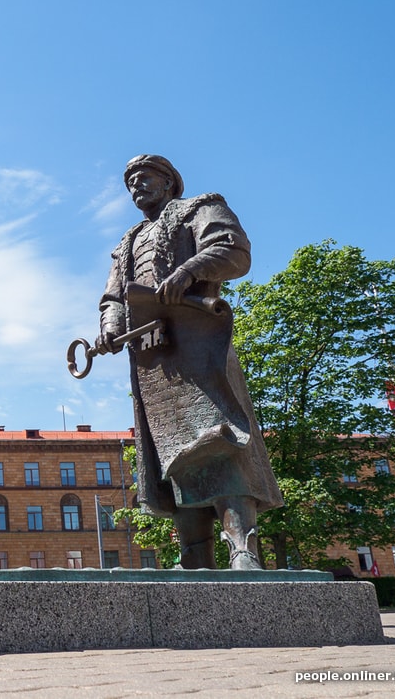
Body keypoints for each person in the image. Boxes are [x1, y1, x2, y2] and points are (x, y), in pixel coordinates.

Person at [96, 155, 282, 569]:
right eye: (129, 182)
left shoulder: (201, 208)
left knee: (221, 439)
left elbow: (233, 250)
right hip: (153, 360)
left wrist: (188, 271)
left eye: (143, 178)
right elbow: (113, 296)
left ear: (169, 183)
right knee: (172, 455)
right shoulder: (128, 241)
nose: (135, 187)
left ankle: (243, 549)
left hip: (199, 344)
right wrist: (109, 325)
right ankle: (195, 557)